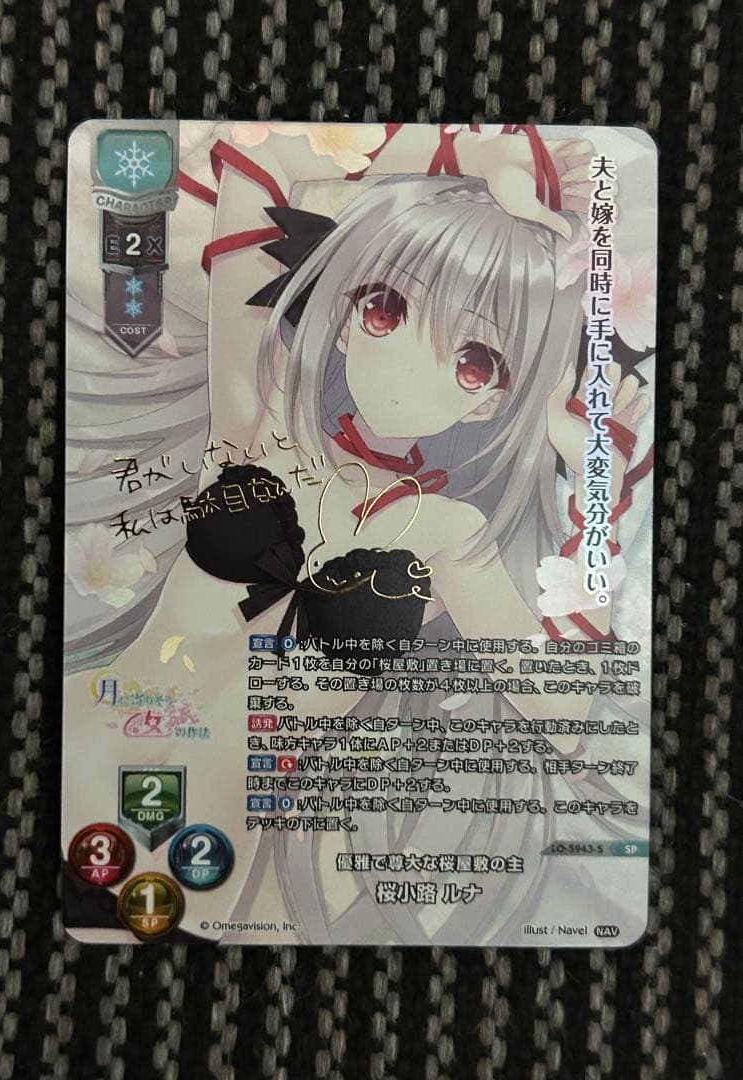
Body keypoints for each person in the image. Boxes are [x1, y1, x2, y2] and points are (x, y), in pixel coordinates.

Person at [64, 124, 654, 943]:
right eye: (387, 307)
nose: (412, 363)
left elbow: (564, 715)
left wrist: (597, 484)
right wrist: (474, 157)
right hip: (74, 783)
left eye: (475, 359)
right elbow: (259, 156)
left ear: (491, 400)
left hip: (196, 881)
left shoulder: (448, 534)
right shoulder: (259, 424)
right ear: (345, 319)